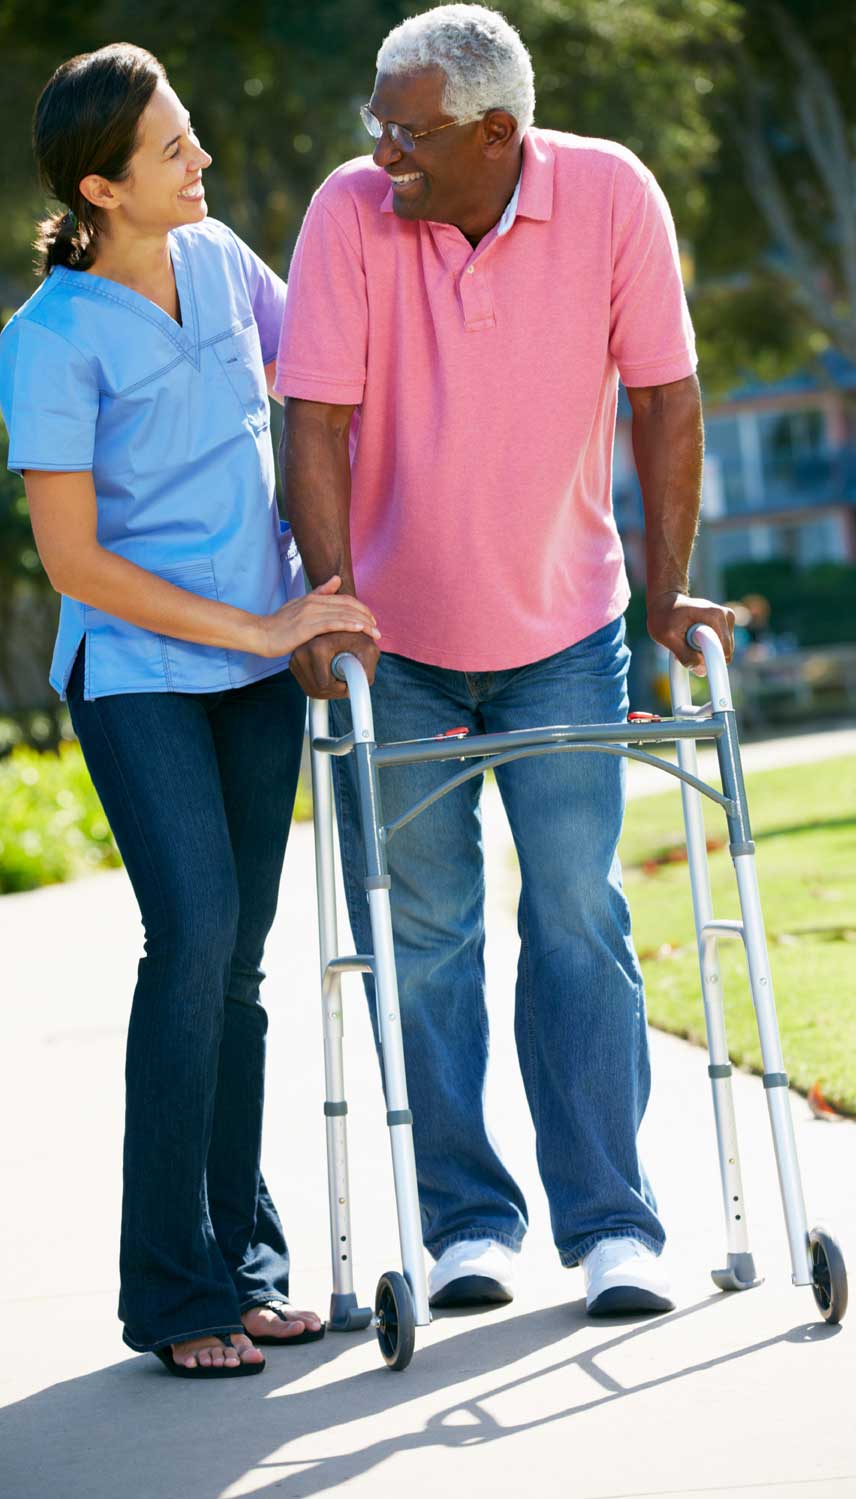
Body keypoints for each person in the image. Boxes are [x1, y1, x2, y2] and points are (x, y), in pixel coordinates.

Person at [276, 4, 735, 1316]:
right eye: (377, 122)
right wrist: (332, 598)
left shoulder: (611, 195)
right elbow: (313, 418)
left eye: (407, 131)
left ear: (497, 133)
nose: (382, 151)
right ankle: (468, 1223)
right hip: (400, 646)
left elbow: (668, 396)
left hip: (566, 629)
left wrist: (665, 590)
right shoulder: (349, 213)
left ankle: (611, 1227)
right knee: (422, 935)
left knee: (579, 915)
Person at [0, 43, 379, 1378]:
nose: (199, 160)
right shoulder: (47, 335)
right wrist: (266, 623)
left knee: (239, 967)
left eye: (194, 135)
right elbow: (75, 563)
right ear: (102, 187)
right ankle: (170, 1290)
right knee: (194, 938)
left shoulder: (225, 267)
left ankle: (246, 1261)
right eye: (171, 151)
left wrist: (322, 596)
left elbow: (327, 387)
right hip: (142, 678)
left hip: (258, 675)